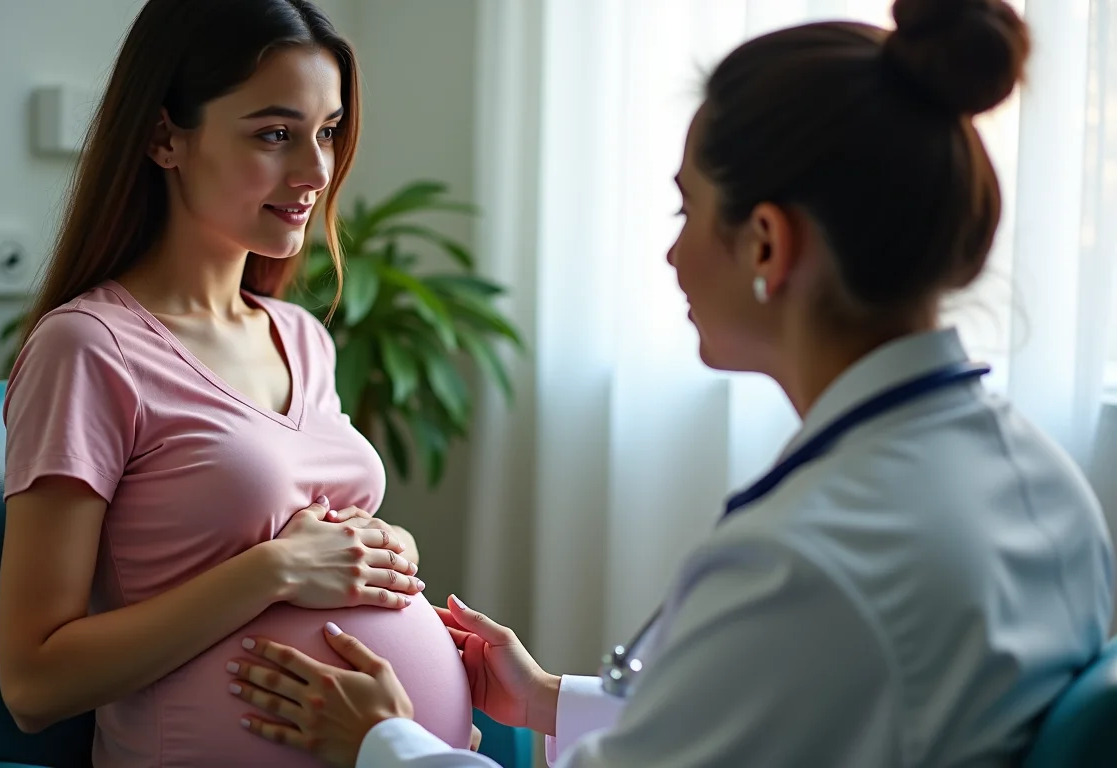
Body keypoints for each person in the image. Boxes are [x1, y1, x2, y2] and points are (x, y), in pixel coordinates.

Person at [220, 0, 1116, 765]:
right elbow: (811, 713)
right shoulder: (1042, 483)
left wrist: (383, 742)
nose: (672, 252)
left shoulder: (810, 563)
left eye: (687, 209)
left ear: (768, 243)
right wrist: (548, 701)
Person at [0, 1, 476, 766]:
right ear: (163, 138)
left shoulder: (302, 338)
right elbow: (33, 681)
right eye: (275, 134)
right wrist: (275, 570)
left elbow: (303, 525)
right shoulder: (90, 350)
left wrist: (378, 553)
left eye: (327, 132)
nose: (317, 171)